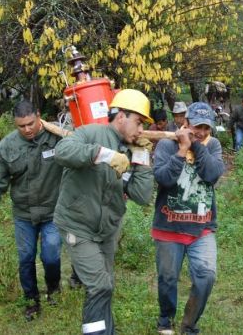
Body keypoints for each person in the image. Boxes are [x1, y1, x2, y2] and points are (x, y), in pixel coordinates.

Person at [53, 89, 155, 335]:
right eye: (138, 122)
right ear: (121, 116)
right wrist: (103, 154)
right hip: (77, 226)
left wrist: (142, 159)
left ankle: (106, 331)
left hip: (107, 230)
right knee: (99, 285)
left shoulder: (134, 150)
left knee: (105, 284)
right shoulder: (90, 133)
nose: (141, 130)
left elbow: (141, 196)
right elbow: (62, 152)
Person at [0, 100, 65, 321]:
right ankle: (31, 301)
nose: (27, 129)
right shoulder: (7, 146)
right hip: (24, 214)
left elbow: (82, 151)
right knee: (25, 258)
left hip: (53, 211)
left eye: (30, 124)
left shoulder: (58, 138)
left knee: (51, 255)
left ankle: (53, 289)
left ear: (38, 115)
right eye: (21, 126)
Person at [152, 102, 225, 335]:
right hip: (168, 226)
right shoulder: (165, 144)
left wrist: (196, 145)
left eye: (206, 127)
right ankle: (165, 320)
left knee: (206, 277)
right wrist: (182, 151)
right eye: (196, 126)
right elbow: (163, 178)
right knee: (167, 279)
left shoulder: (213, 145)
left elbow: (212, 174)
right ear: (185, 122)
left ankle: (189, 325)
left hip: (201, 228)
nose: (201, 132)